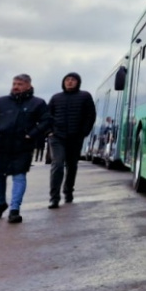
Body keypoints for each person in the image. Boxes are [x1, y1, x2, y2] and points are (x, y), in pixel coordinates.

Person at [0, 74, 51, 223]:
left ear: (28, 86)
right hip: (1, 144)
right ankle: (0, 204)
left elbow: (46, 121)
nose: (16, 86)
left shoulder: (37, 103)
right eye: (14, 83)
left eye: (19, 84)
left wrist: (32, 134)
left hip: (22, 145)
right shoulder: (1, 102)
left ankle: (14, 209)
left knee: (19, 176)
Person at [46, 72, 96, 208]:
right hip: (57, 137)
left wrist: (84, 132)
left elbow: (90, 115)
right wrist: (49, 132)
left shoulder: (85, 96)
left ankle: (68, 191)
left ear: (78, 82)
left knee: (72, 166)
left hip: (75, 137)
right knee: (57, 164)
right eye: (67, 80)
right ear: (63, 82)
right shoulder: (56, 98)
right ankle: (54, 198)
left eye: (73, 80)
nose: (69, 82)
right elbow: (47, 116)